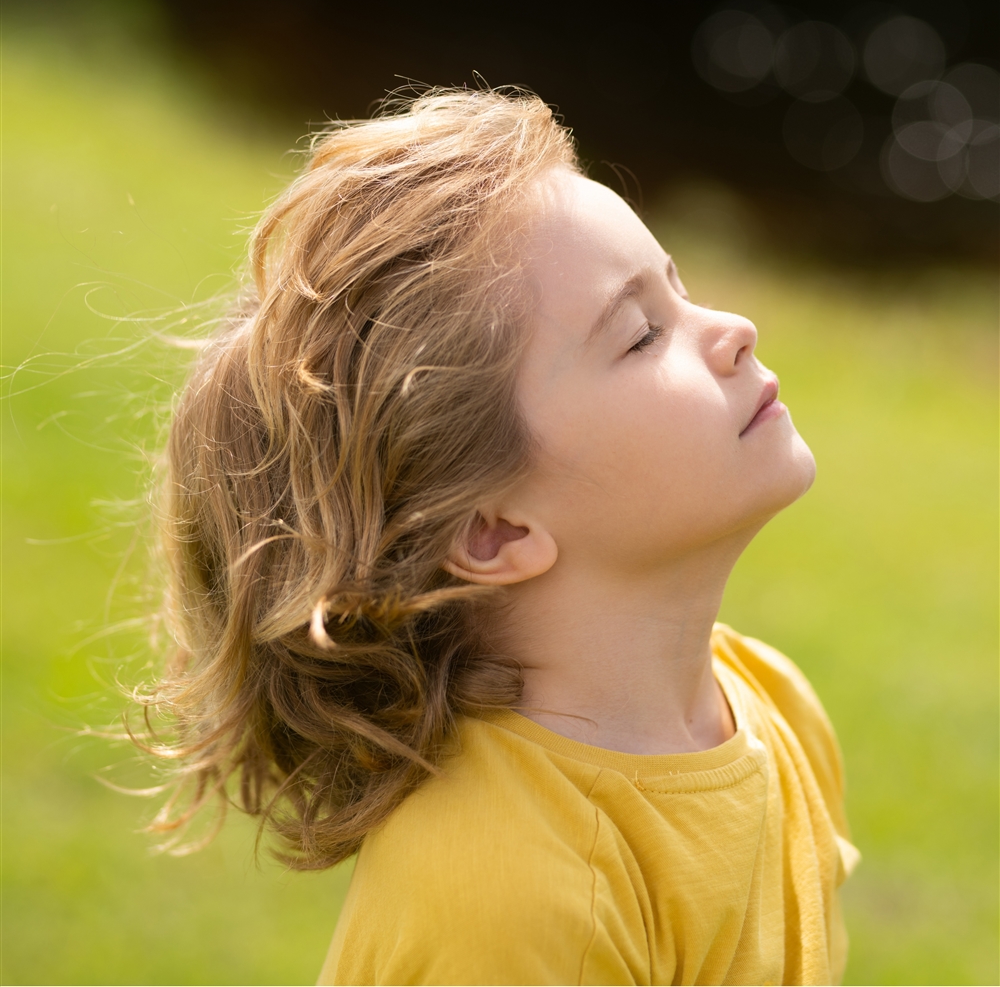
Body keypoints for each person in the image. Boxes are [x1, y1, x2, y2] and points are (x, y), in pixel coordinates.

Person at [144, 87, 858, 986]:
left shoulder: (771, 704)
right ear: (492, 531)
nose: (733, 331)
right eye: (642, 335)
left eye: (679, 288)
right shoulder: (510, 900)